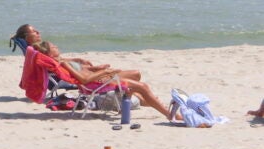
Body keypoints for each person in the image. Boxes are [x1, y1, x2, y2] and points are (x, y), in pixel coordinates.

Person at [32, 41, 174, 120]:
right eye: (53, 47)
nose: (57, 46)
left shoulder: (62, 61)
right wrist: (104, 72)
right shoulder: (63, 64)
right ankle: (168, 114)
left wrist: (96, 68)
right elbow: (84, 79)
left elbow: (84, 72)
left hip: (99, 79)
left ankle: (140, 99)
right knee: (143, 86)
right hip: (97, 84)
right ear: (49, 53)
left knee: (136, 75)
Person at [12, 24, 142, 81]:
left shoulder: (32, 51)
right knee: (135, 75)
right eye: (34, 31)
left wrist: (79, 62)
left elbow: (57, 63)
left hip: (74, 72)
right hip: (75, 77)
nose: (38, 32)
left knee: (132, 79)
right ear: (26, 37)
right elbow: (59, 65)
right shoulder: (37, 51)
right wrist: (90, 68)